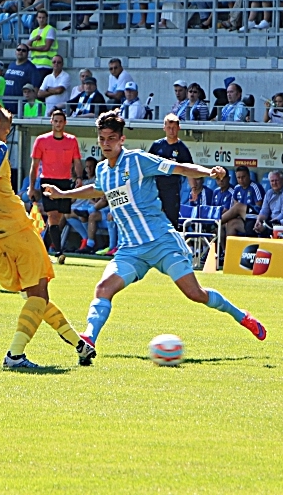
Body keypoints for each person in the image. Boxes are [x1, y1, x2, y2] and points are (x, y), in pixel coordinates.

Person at [42, 111, 267, 361]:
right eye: (102, 138)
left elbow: (178, 168)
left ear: (122, 139)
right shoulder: (104, 169)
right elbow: (97, 189)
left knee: (196, 294)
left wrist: (208, 172)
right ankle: (89, 339)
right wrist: (62, 194)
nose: (106, 144)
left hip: (162, 242)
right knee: (103, 288)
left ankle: (242, 316)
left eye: (111, 138)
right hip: (131, 250)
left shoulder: (138, 160)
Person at [0, 103, 95, 370]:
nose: (7, 136)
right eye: (7, 129)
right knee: (38, 292)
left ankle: (80, 345)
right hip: (14, 230)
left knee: (34, 295)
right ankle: (15, 356)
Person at [29, 108, 83, 264]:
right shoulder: (41, 140)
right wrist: (32, 186)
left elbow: (77, 161)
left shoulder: (72, 140)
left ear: (65, 123)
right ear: (51, 121)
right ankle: (59, 252)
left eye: (61, 121)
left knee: (58, 219)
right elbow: (34, 165)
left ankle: (43, 251)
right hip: (47, 181)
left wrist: (79, 178)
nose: (58, 124)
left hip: (65, 182)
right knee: (52, 216)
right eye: (55, 121)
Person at [149, 113, 193, 226]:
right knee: (154, 220)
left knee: (171, 221)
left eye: (174, 128)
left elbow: (190, 170)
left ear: (179, 128)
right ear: (164, 128)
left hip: (172, 190)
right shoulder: (156, 146)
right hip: (156, 189)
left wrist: (193, 189)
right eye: (169, 127)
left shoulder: (182, 148)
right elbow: (147, 166)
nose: (171, 131)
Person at [253, 171, 283, 235]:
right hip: (273, 222)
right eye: (272, 181)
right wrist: (258, 221)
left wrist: (266, 225)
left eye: (276, 180)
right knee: (253, 226)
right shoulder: (269, 193)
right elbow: (264, 211)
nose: (274, 183)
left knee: (264, 230)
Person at [2, 44, 37, 112]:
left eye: (23, 50)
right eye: (18, 50)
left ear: (27, 53)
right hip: (6, 103)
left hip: (19, 105)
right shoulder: (11, 65)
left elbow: (35, 88)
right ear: (15, 51)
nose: (20, 52)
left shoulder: (31, 68)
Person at [26, 10, 57, 84]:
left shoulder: (50, 29)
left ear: (46, 18)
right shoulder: (34, 31)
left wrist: (31, 48)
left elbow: (47, 47)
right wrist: (33, 39)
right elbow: (27, 45)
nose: (41, 19)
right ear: (36, 18)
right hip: (34, 64)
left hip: (46, 65)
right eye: (39, 17)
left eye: (43, 17)